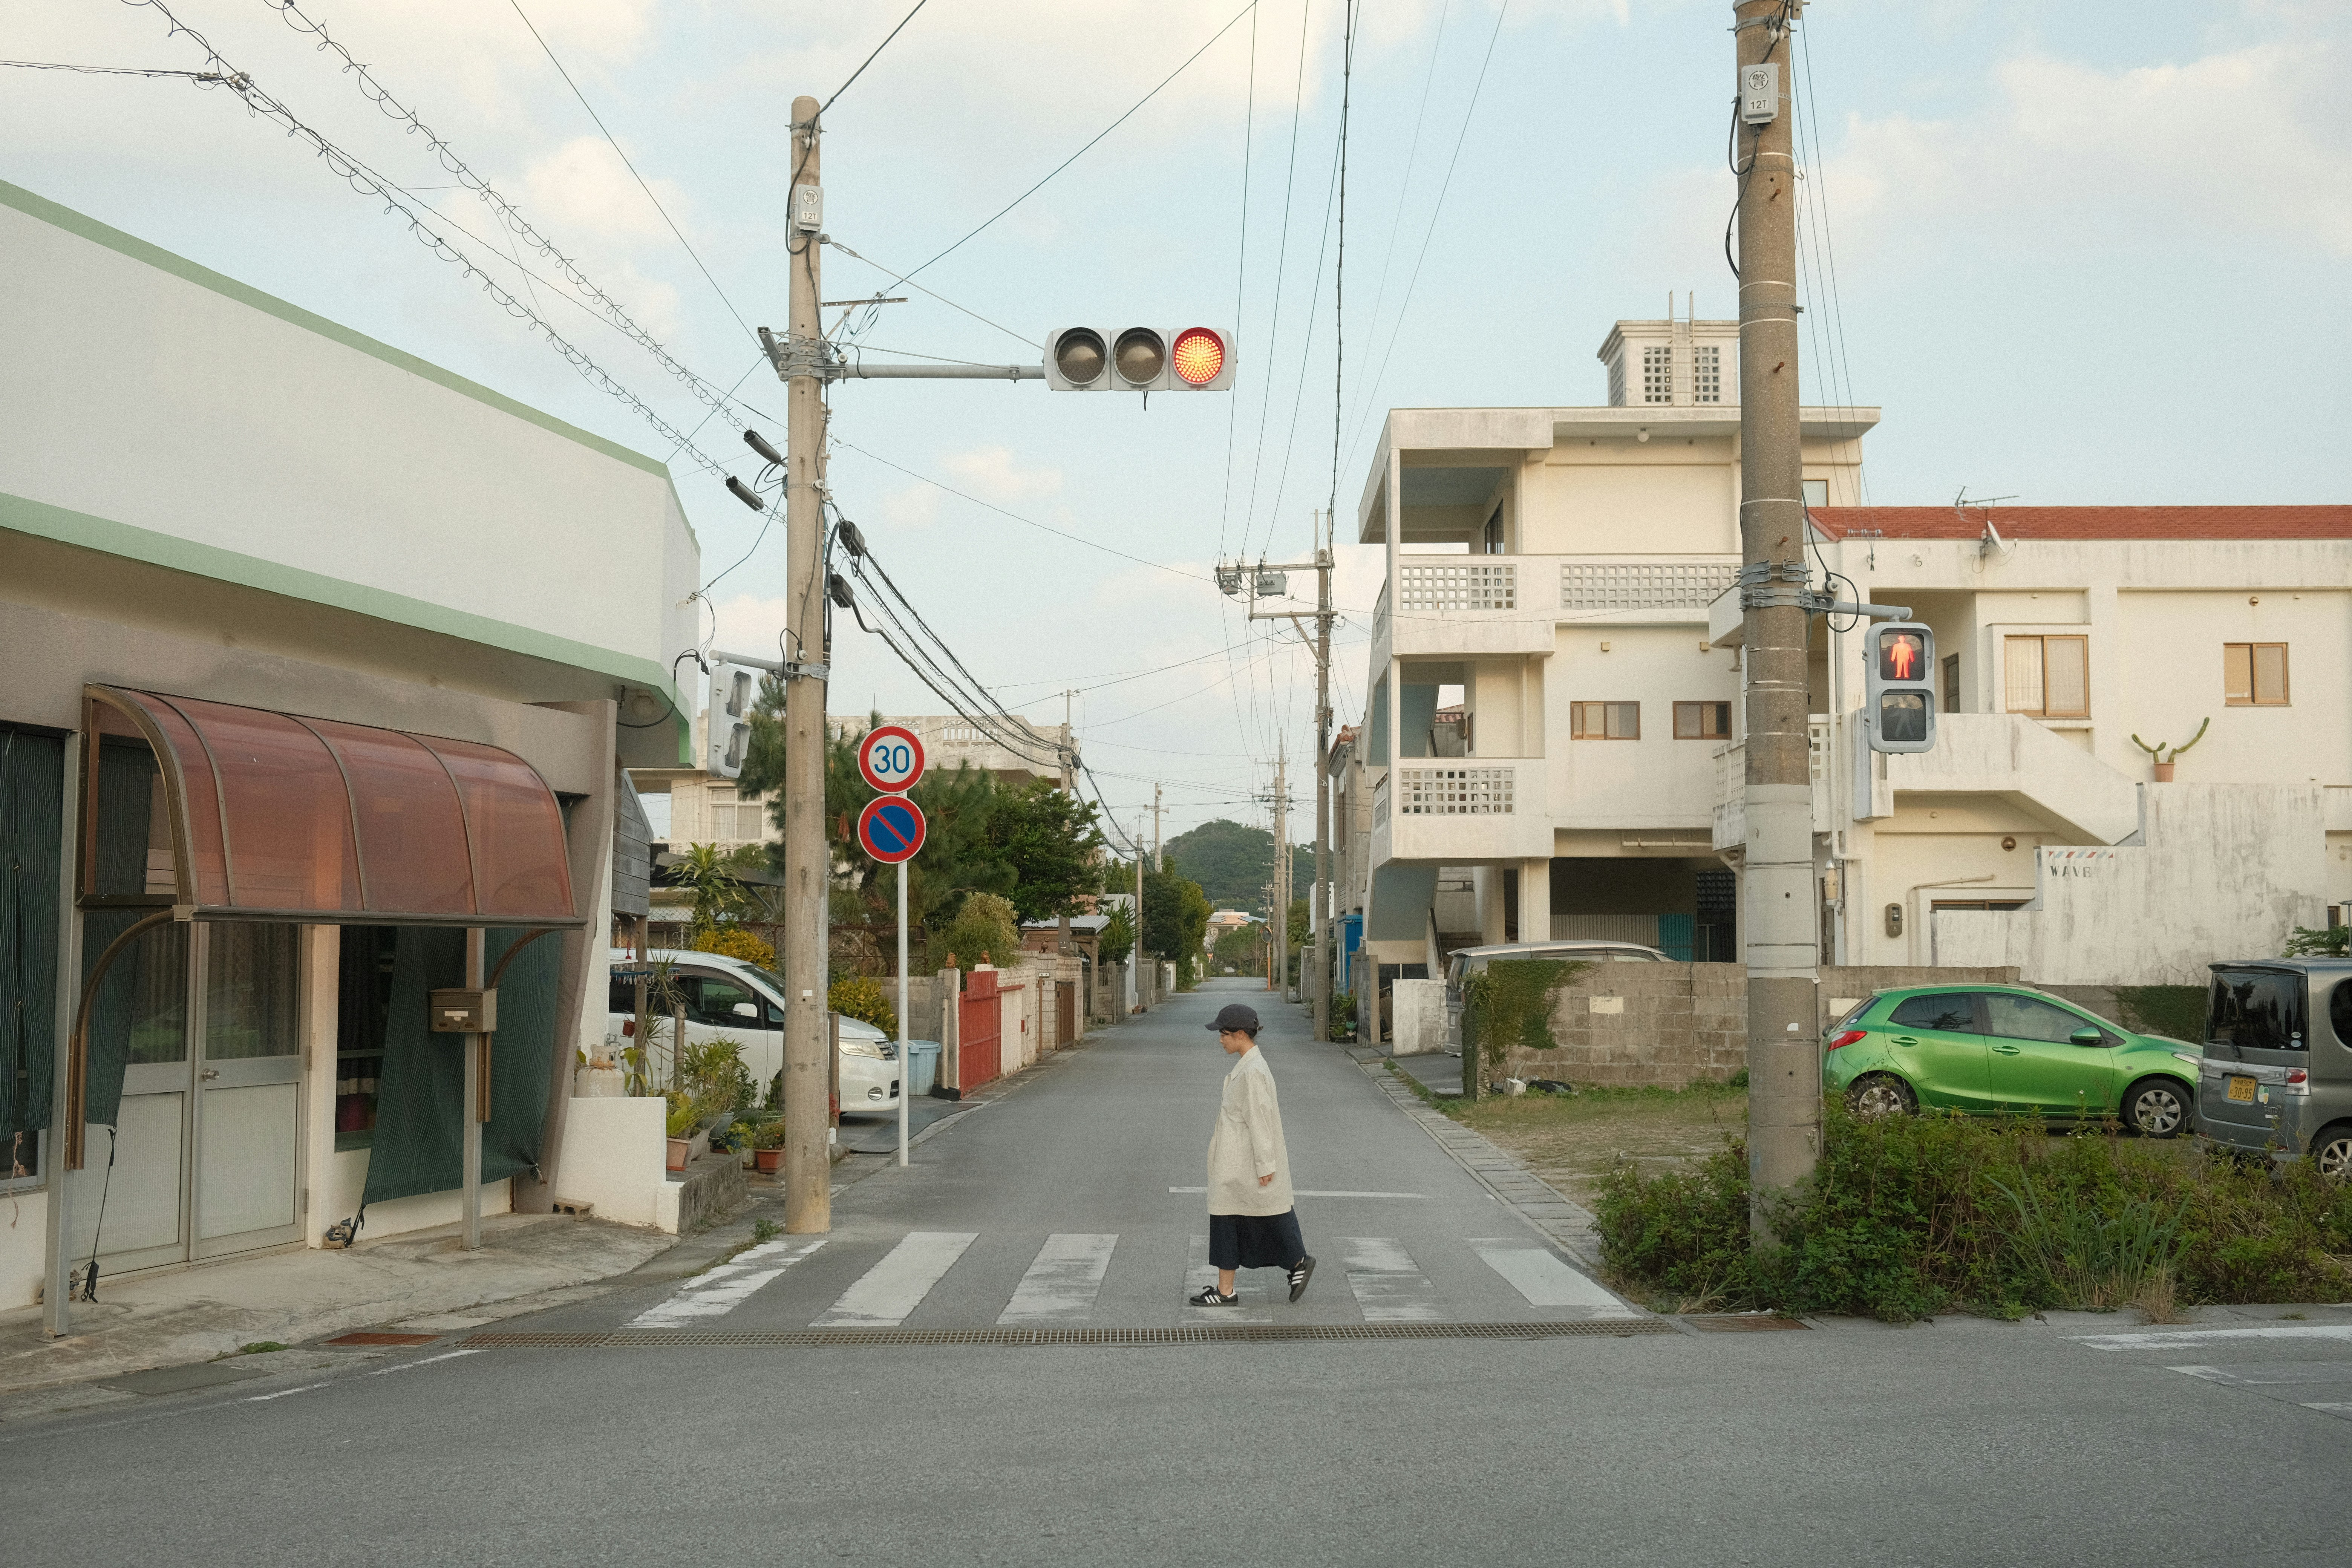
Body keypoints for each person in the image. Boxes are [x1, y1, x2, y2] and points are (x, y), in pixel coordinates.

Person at [1189, 1002, 1315, 1307]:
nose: (1221, 1040)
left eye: (1224, 1034)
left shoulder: (1253, 1071)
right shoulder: (1248, 1067)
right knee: (1234, 1218)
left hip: (1242, 1161)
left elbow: (1260, 1119)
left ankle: (1298, 1262)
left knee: (1266, 1212)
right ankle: (1226, 1290)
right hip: (1236, 1159)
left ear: (1241, 1035)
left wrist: (1265, 1164)